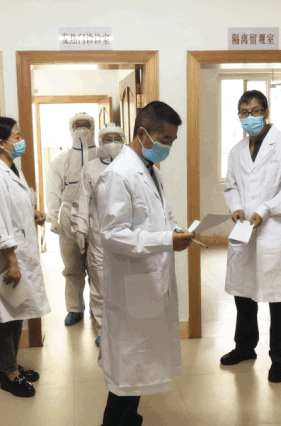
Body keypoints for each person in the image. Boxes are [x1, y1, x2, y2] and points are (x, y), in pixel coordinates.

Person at [94, 101, 194, 426]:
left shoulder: (152, 172)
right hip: (131, 288)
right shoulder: (118, 175)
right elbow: (112, 235)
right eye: (164, 140)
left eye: (172, 141)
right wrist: (166, 240)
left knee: (137, 373)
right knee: (127, 374)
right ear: (142, 133)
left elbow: (162, 216)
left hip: (150, 283)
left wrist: (176, 231)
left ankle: (129, 420)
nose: (168, 147)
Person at [221, 89, 281, 383]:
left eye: (255, 112)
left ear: (266, 113)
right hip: (245, 229)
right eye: (244, 113)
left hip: (274, 231)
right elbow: (231, 186)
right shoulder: (236, 151)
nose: (250, 118)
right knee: (243, 293)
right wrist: (236, 207)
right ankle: (245, 347)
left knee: (278, 296)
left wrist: (265, 210)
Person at [0, 116, 51, 398]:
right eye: (17, 137)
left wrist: (34, 212)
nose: (21, 141)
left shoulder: (10, 170)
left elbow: (17, 204)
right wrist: (12, 263)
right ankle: (7, 374)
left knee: (16, 311)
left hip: (19, 255)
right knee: (6, 317)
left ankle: (12, 365)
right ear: (1, 143)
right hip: (8, 259)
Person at [70, 123, 125, 347]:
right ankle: (103, 328)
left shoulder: (131, 166)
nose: (112, 143)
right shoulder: (90, 168)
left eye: (116, 139)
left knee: (124, 284)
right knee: (100, 284)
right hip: (98, 236)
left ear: (123, 141)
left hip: (126, 237)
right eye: (107, 139)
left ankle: (123, 330)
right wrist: (80, 228)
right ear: (100, 142)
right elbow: (81, 200)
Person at [45, 112, 98, 326]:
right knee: (72, 265)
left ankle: (97, 307)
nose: (82, 129)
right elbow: (52, 188)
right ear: (71, 129)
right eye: (78, 125)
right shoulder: (62, 159)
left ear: (93, 128)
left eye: (87, 125)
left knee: (97, 265)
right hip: (69, 213)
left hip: (97, 214)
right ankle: (75, 308)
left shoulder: (102, 156)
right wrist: (53, 216)